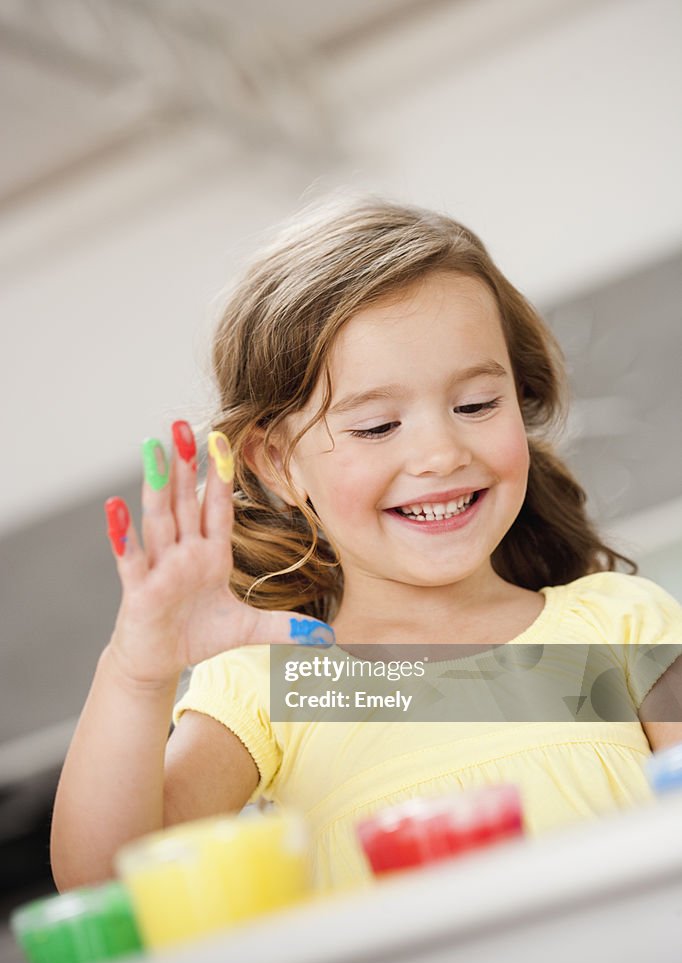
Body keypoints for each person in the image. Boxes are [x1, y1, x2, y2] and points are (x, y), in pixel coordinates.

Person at [51, 195, 682, 894]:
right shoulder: (277, 680)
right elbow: (108, 882)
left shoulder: (621, 625)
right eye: (378, 426)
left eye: (475, 405)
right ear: (277, 464)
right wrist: (137, 673)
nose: (441, 454)